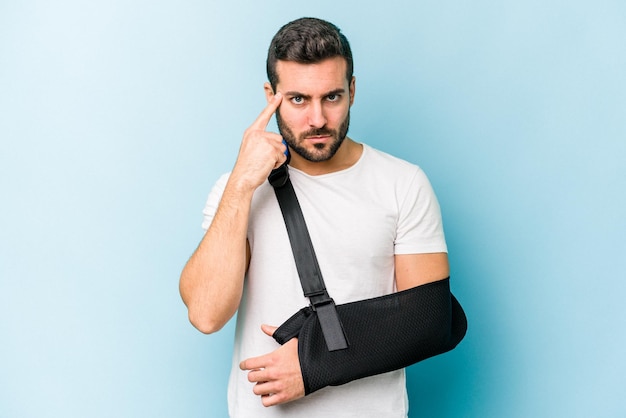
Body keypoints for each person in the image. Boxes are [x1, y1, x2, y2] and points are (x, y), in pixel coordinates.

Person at [179, 17, 450, 417]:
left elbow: (429, 321)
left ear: (352, 92)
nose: (318, 120)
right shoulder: (237, 190)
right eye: (299, 100)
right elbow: (205, 313)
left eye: (332, 98)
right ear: (271, 96)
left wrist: (312, 362)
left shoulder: (402, 183)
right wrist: (240, 185)